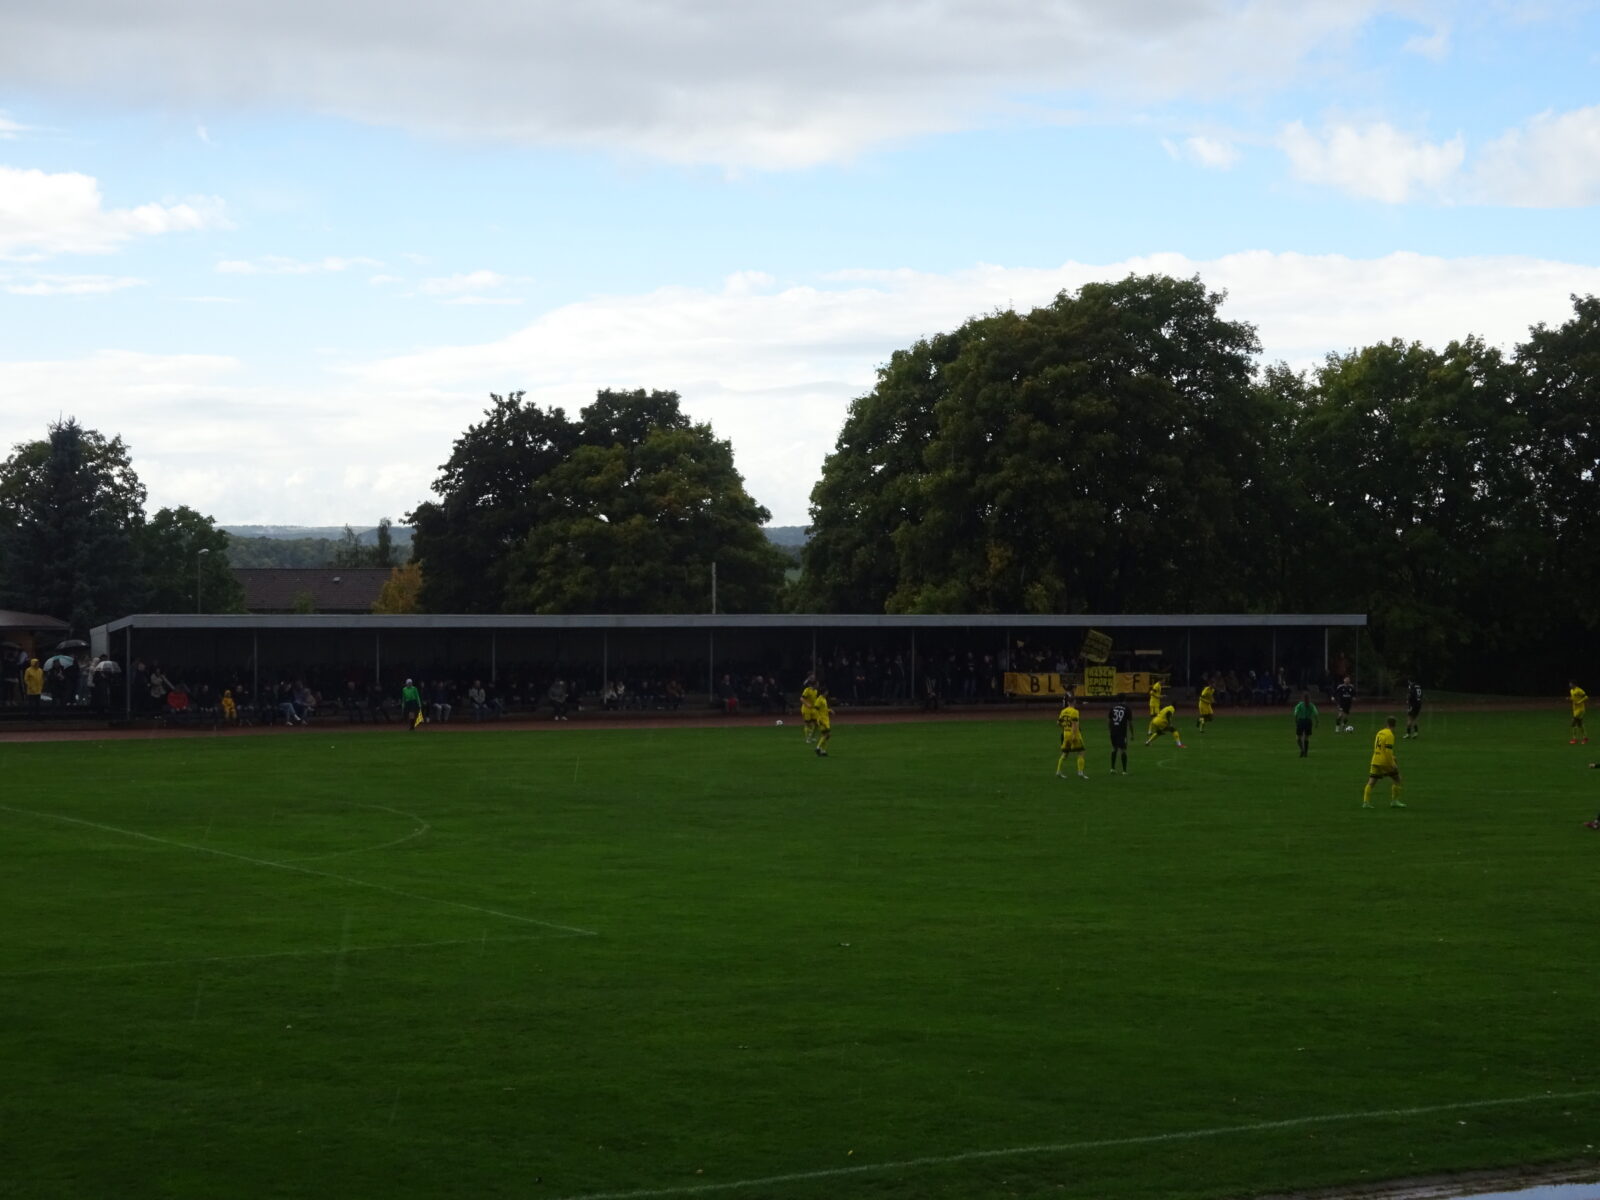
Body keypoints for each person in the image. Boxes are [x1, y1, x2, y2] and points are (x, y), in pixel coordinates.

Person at [1363, 716, 1405, 809]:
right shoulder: (1390, 735)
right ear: (1394, 725)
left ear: (1387, 724)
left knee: (1371, 782)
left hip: (1375, 759)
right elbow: (1387, 751)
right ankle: (1394, 801)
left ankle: (1366, 802)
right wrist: (1393, 763)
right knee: (1397, 779)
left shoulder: (1379, 732)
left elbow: (1378, 747)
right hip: (1385, 761)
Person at [1055, 690, 1087, 780]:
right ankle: (1080, 772)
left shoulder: (1063, 711)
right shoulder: (1075, 711)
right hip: (1074, 734)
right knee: (1081, 752)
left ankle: (1058, 771)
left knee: (1064, 754)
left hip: (1065, 733)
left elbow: (1058, 723)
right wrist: (1073, 735)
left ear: (1068, 702)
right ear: (1074, 702)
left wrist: (1065, 727)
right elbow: (1075, 724)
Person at [1107, 697, 1131, 774]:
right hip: (1122, 731)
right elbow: (1130, 722)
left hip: (1113, 731)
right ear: (1125, 700)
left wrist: (1110, 730)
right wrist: (1132, 734)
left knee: (1114, 749)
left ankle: (1112, 768)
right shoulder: (1127, 708)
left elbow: (1109, 719)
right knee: (1123, 750)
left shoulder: (1113, 707)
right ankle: (1124, 771)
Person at [1293, 691, 1318, 757]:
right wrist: (1317, 722)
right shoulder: (1311, 705)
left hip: (1301, 721)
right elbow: (1316, 714)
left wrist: (1296, 721)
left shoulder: (1300, 704)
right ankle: (1306, 753)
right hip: (1308, 721)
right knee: (1306, 738)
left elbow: (1295, 713)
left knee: (1298, 737)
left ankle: (1302, 749)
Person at [813, 686, 832, 757]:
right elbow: (816, 710)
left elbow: (823, 709)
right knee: (827, 735)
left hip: (826, 719)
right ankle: (818, 748)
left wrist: (829, 710)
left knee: (826, 735)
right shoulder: (819, 700)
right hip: (822, 720)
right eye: (826, 692)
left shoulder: (824, 699)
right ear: (823, 692)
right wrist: (819, 719)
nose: (827, 693)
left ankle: (823, 751)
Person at [800, 676, 819, 745]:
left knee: (816, 724)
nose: (818, 685)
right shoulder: (807, 690)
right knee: (807, 724)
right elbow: (801, 698)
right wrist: (807, 704)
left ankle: (812, 736)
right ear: (814, 684)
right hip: (806, 709)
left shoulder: (816, 691)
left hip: (813, 709)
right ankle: (807, 739)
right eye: (817, 684)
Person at [1569, 680, 1587, 745]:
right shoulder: (1571, 691)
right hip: (1575, 709)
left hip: (1581, 709)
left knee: (1573, 722)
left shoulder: (1579, 690)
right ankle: (1585, 738)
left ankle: (1574, 739)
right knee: (1579, 724)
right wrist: (1570, 699)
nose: (1569, 685)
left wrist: (1579, 702)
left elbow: (1586, 697)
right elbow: (1574, 698)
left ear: (1574, 684)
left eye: (1570, 684)